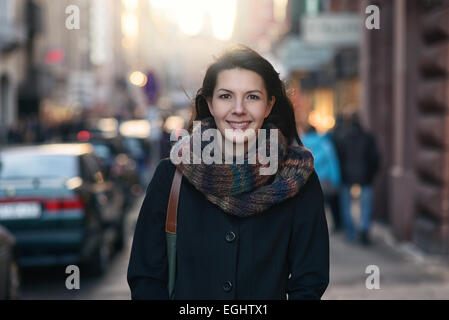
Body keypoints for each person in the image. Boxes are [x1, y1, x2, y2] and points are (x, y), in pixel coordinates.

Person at [127, 45, 329, 300]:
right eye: (226, 96)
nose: (239, 109)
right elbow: (146, 278)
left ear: (268, 106)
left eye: (252, 97)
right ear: (210, 103)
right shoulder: (170, 177)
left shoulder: (298, 179)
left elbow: (309, 282)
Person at [335, 112, 380, 245]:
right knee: (365, 205)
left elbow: (338, 159)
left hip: (346, 177)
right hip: (365, 176)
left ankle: (351, 233)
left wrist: (340, 174)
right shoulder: (368, 137)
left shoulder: (342, 138)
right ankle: (364, 230)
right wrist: (371, 174)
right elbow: (375, 158)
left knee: (346, 205)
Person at [301, 124, 342, 233]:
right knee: (331, 204)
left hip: (307, 179)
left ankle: (311, 228)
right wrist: (336, 178)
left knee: (311, 206)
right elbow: (332, 161)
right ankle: (334, 225)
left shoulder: (301, 143)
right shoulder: (325, 143)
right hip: (324, 179)